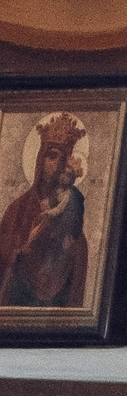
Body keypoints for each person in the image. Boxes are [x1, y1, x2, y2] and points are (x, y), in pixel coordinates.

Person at [0, 111, 89, 308]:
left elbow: (75, 253)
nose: (56, 166)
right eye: (52, 156)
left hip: (55, 308)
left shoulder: (70, 207)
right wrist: (20, 255)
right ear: (41, 158)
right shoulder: (17, 210)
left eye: (62, 159)